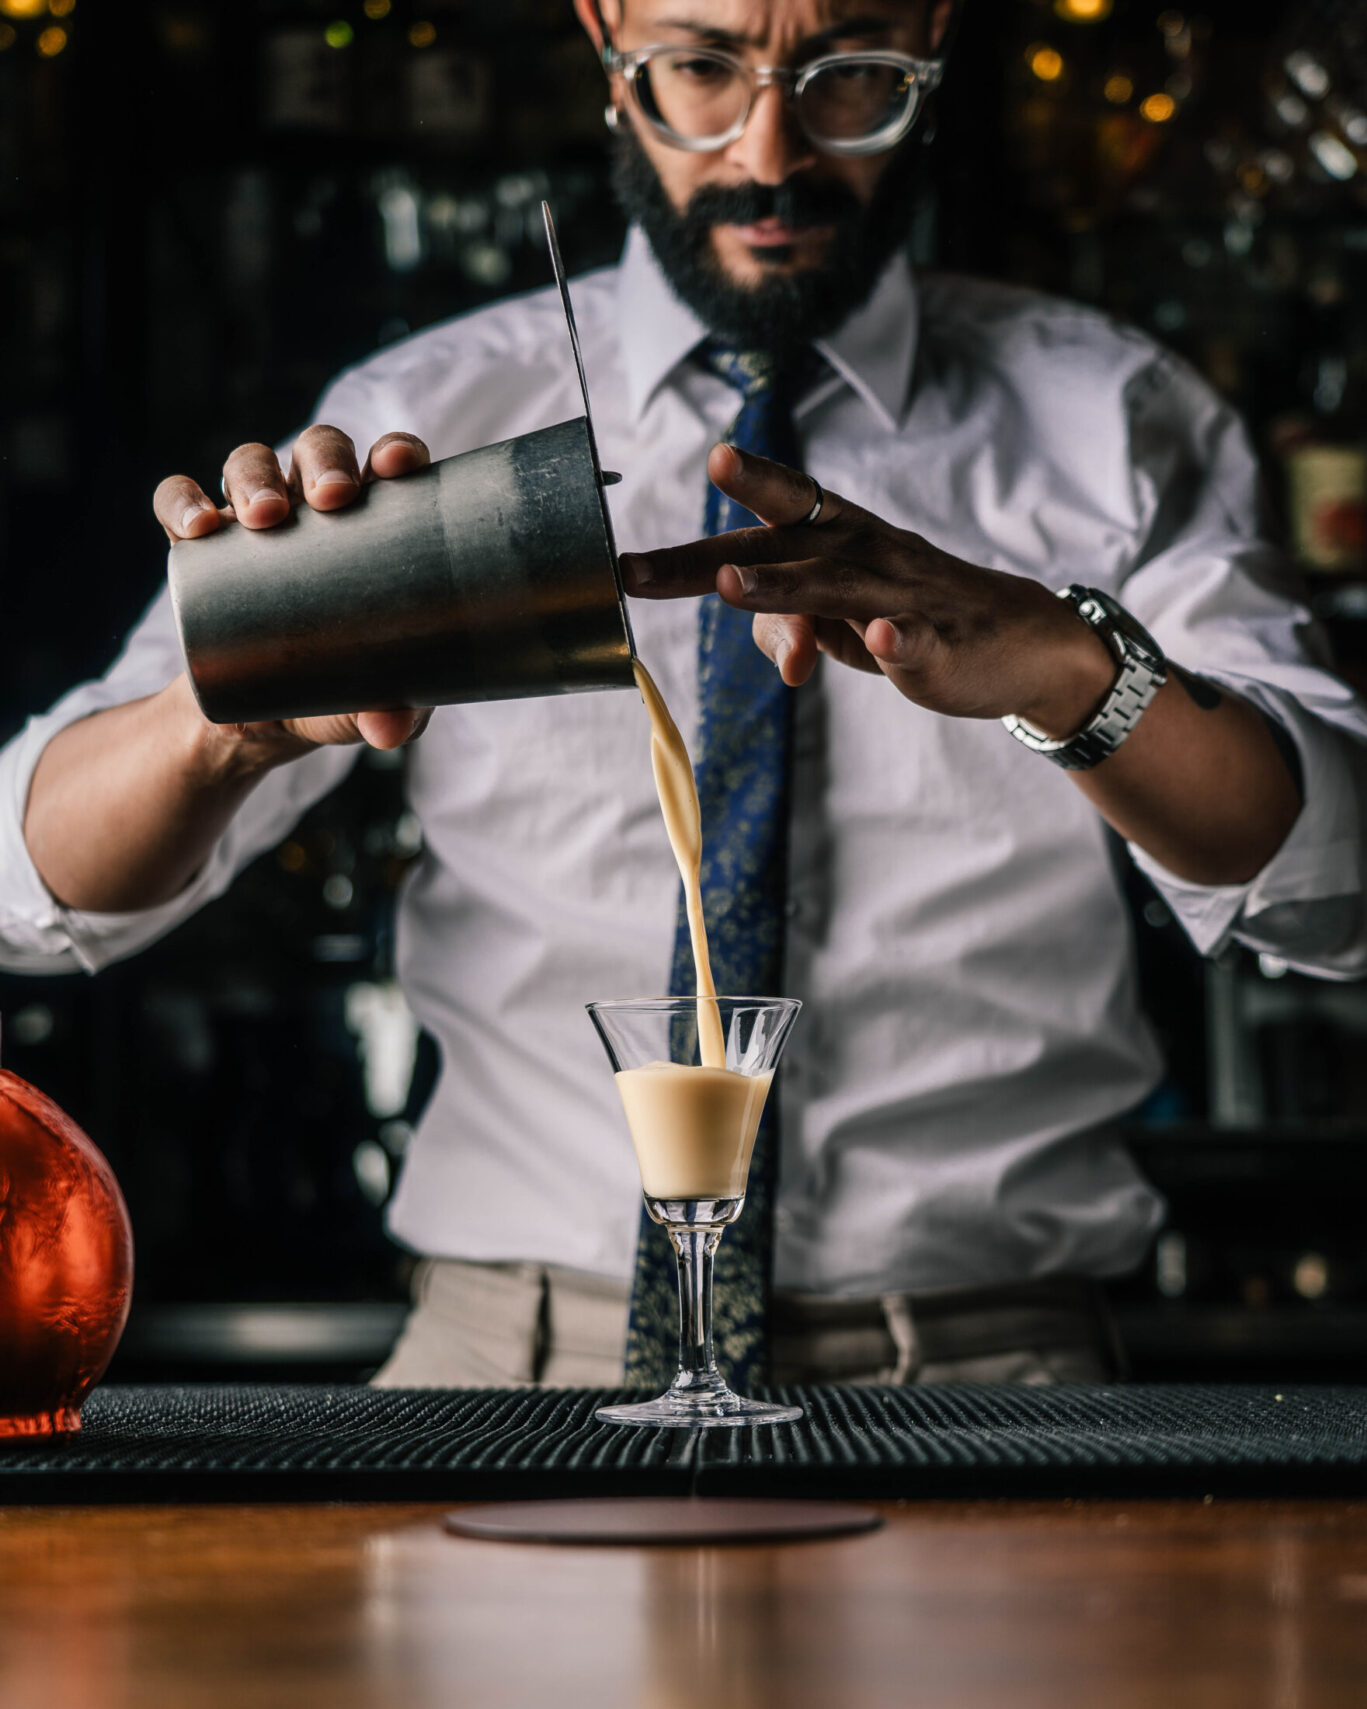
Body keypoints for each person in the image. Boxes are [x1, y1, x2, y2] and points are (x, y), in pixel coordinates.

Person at [3, 0, 1365, 1389]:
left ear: (938, 40)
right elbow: (28, 895)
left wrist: (1073, 668)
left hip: (986, 1362)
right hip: (510, 1358)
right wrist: (216, 724)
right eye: (703, 67)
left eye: (853, 80)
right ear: (606, 44)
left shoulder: (1112, 422)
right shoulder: (447, 407)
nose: (768, 151)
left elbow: (1336, 887)